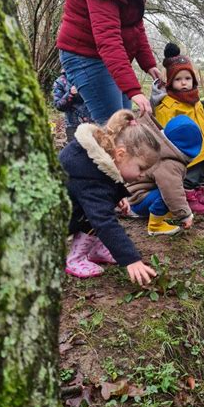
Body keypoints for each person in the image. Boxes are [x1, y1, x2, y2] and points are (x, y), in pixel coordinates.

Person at [59, 109, 161, 285]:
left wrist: (116, 196)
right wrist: (131, 259)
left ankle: (96, 250)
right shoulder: (89, 176)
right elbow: (104, 221)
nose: (143, 175)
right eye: (142, 168)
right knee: (100, 216)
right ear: (120, 154)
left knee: (100, 209)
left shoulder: (93, 157)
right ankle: (75, 259)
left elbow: (100, 187)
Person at [155, 43, 204, 215]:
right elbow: (166, 131)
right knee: (190, 175)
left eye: (187, 78)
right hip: (186, 150)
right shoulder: (168, 105)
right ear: (170, 81)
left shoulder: (195, 100)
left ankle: (199, 192)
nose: (184, 83)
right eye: (178, 79)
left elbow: (202, 121)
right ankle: (189, 197)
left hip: (203, 146)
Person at [126, 114, 203, 234]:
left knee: (168, 191)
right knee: (167, 192)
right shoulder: (168, 162)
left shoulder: (161, 148)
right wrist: (185, 215)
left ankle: (160, 214)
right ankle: (155, 226)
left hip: (137, 195)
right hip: (137, 201)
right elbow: (171, 190)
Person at [52, 70, 92, 143]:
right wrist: (71, 93)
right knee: (75, 152)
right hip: (73, 126)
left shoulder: (91, 76)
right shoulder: (60, 81)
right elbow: (58, 106)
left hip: (94, 124)